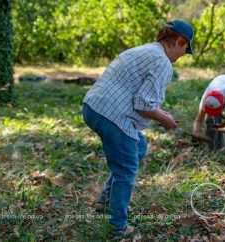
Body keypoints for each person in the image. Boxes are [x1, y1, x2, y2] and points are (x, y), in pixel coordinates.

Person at [82, 20, 194, 235]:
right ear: (179, 41)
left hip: (93, 106)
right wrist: (165, 119)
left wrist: (160, 113)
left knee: (139, 146)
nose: (181, 56)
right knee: (126, 169)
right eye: (184, 50)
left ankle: (105, 201)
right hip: (112, 115)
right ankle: (118, 227)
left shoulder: (145, 49)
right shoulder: (163, 62)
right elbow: (143, 104)